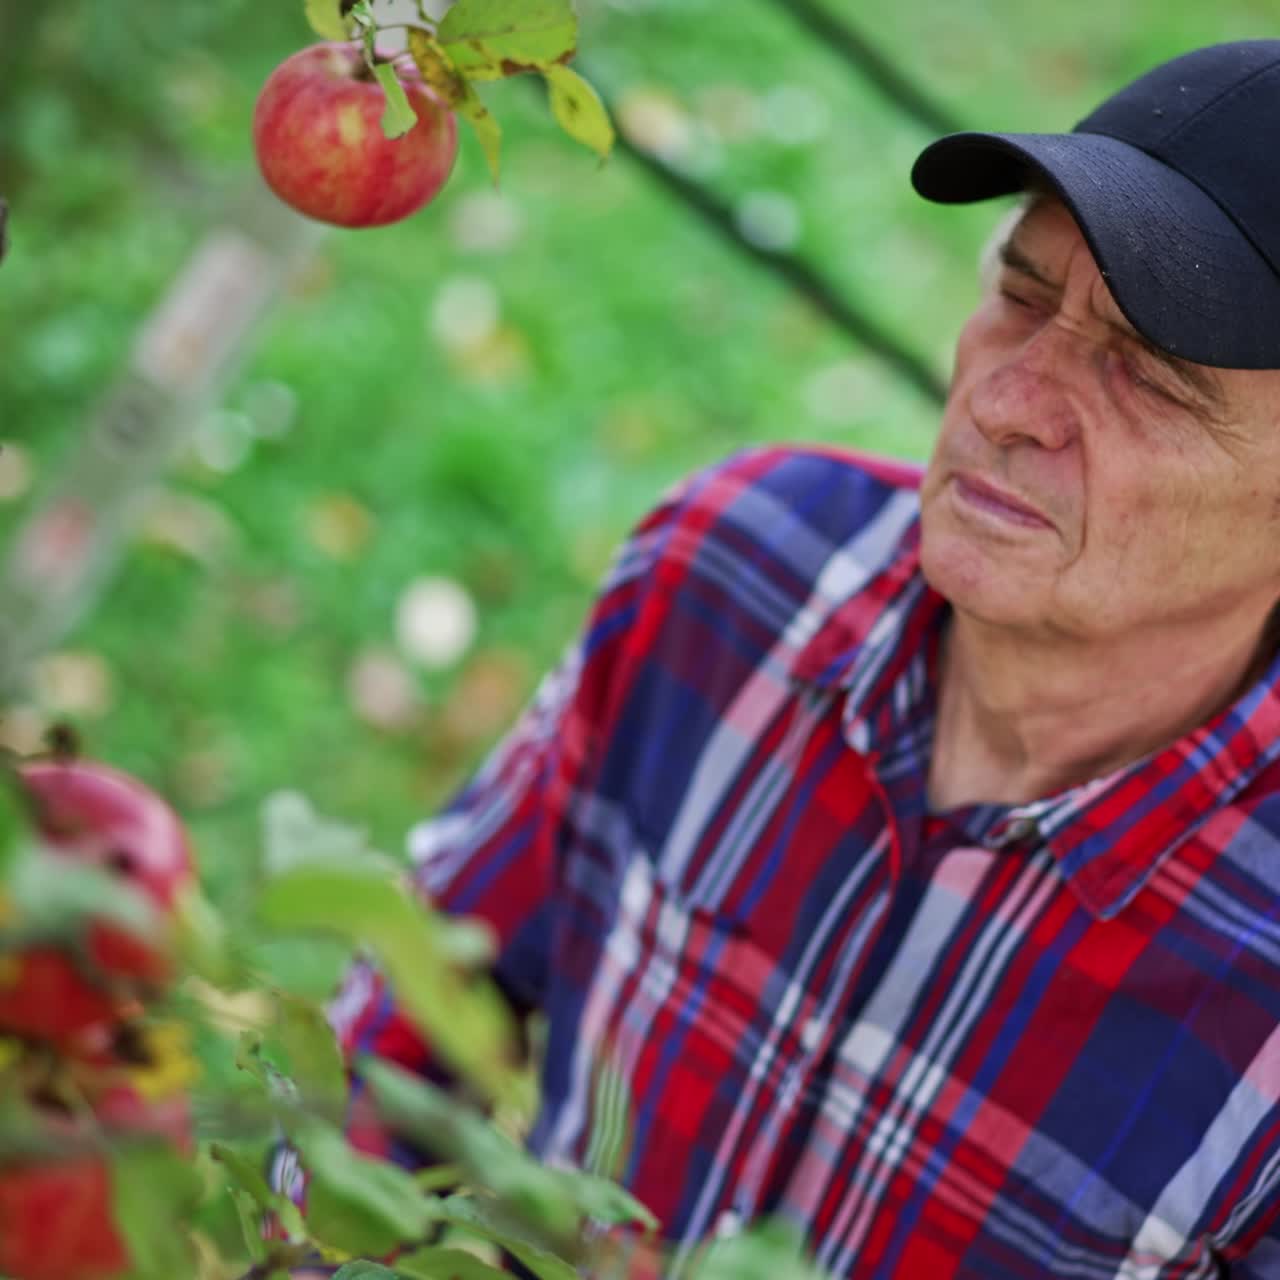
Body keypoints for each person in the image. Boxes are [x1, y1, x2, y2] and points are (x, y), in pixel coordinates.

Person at [287, 40, 1280, 1278]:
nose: (1005, 400)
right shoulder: (730, 570)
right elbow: (413, 1003)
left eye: (1146, 376)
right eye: (1019, 299)